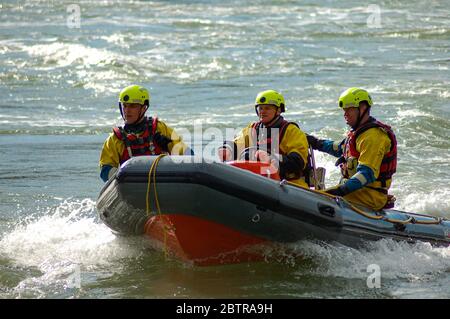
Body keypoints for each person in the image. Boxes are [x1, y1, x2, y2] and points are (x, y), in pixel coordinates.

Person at [307, 87, 397, 210]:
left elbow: (366, 174)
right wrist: (316, 142)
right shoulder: (359, 133)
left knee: (317, 201)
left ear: (363, 108)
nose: (345, 114)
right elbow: (339, 148)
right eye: (344, 110)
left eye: (349, 109)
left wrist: (339, 190)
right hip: (354, 194)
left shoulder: (373, 137)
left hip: (368, 198)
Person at [218, 90, 310, 188]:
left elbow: (297, 162)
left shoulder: (291, 131)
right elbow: (236, 143)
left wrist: (271, 158)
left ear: (278, 110)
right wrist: (226, 149)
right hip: (256, 181)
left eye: (267, 108)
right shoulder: (252, 129)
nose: (262, 111)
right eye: (260, 108)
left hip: (290, 185)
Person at [99, 85, 192, 182]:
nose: (127, 111)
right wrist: (124, 177)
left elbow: (188, 154)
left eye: (133, 106)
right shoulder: (115, 139)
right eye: (125, 106)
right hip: (131, 187)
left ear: (143, 108)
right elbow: (105, 172)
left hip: (162, 182)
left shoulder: (160, 129)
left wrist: (170, 147)